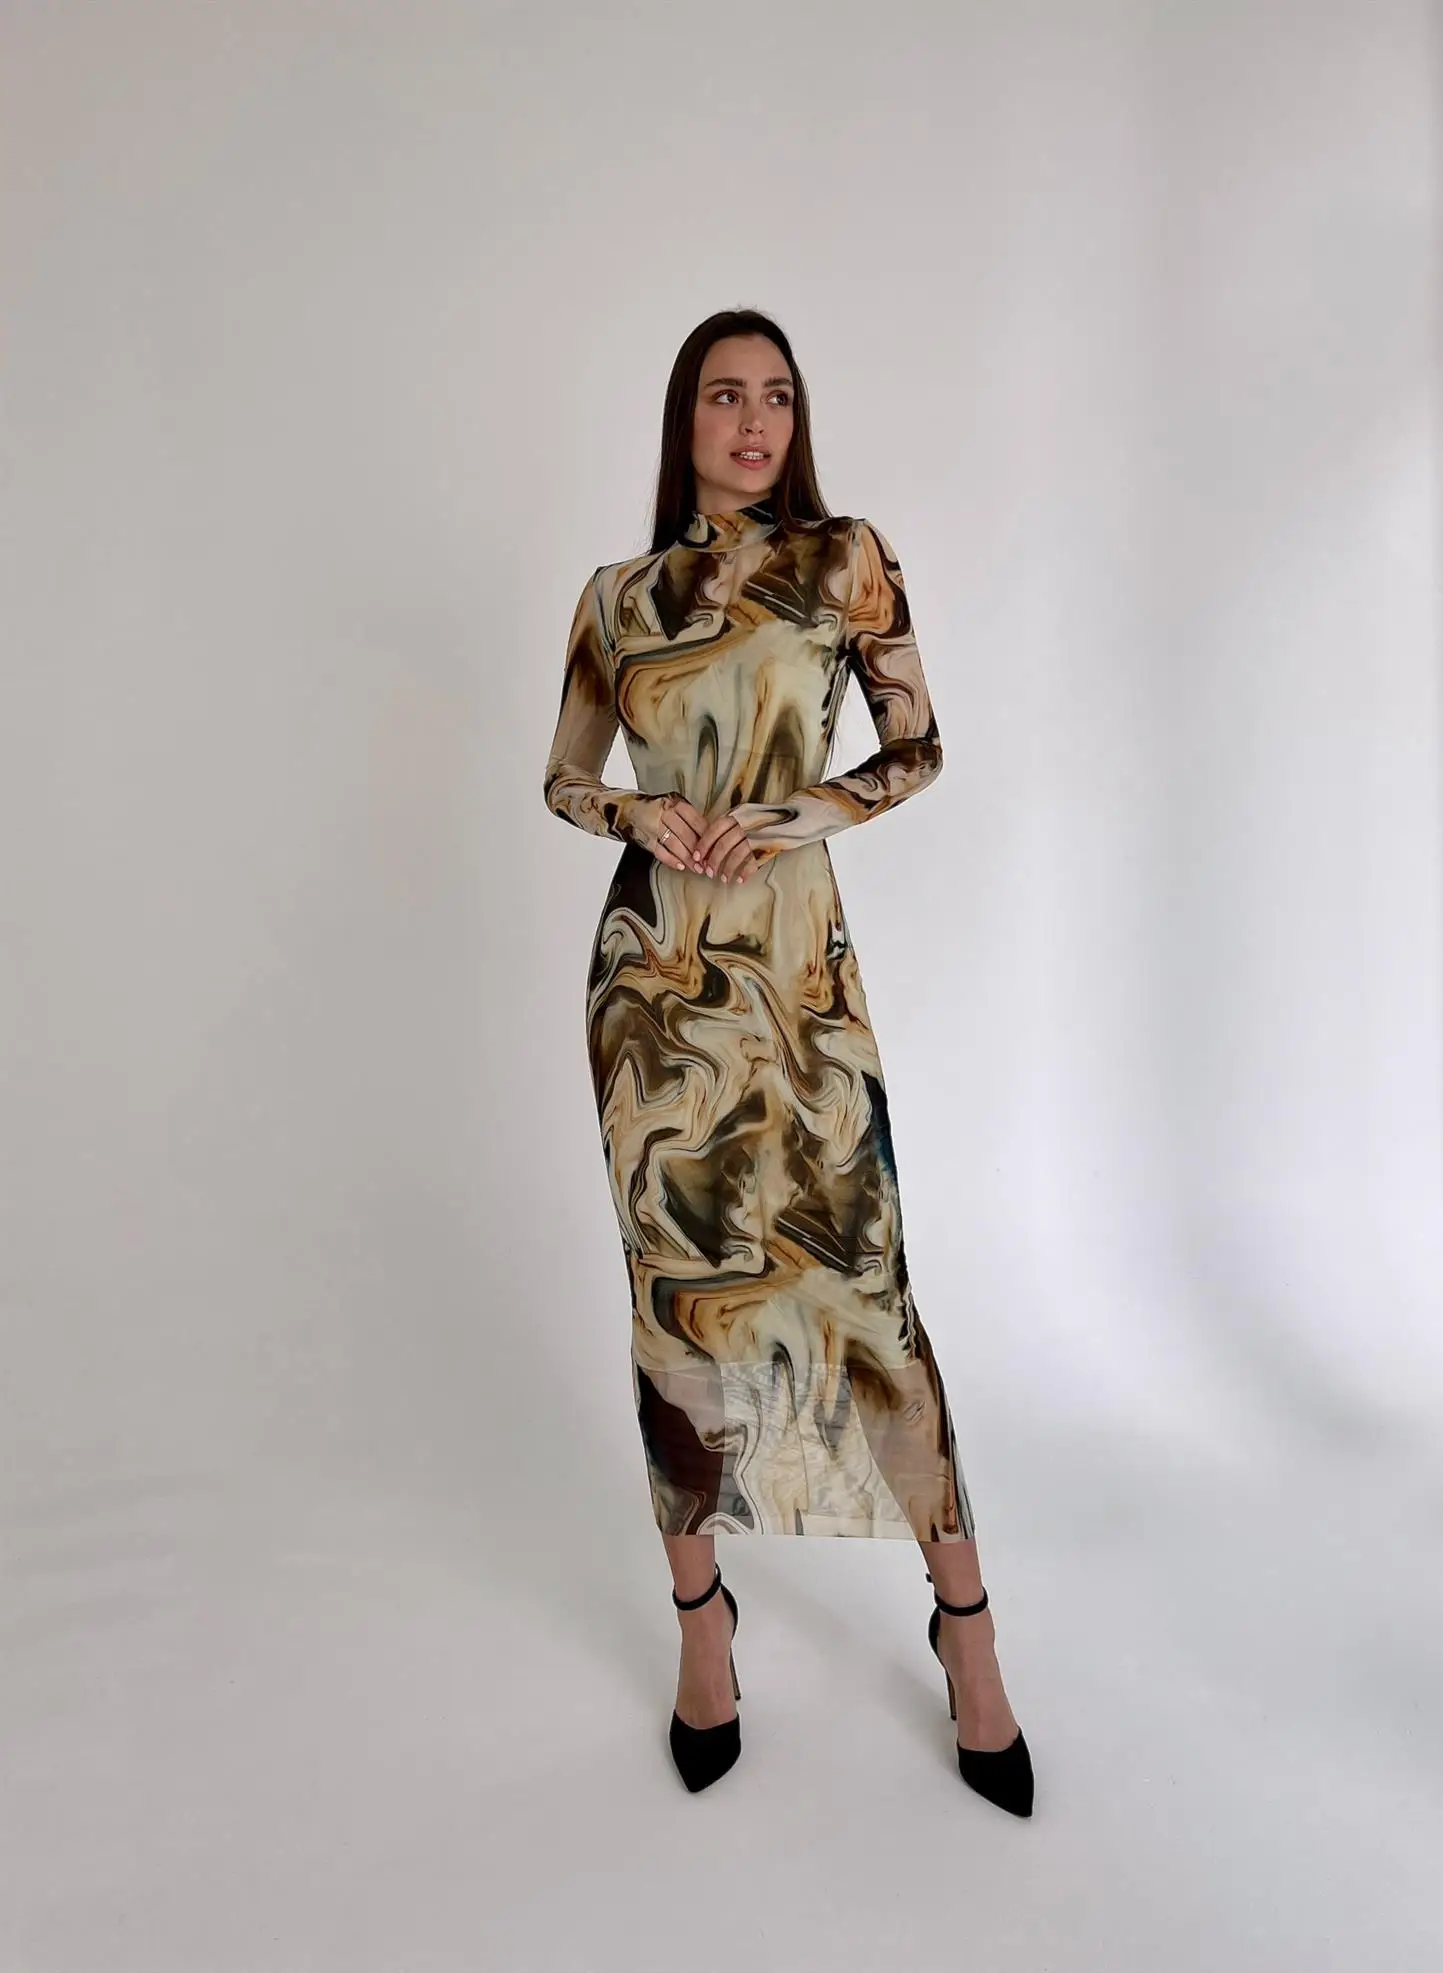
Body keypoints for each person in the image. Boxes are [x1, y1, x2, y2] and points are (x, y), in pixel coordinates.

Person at [541, 308, 1033, 1813]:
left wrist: (799, 812)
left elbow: (918, 745)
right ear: (682, 419)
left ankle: (966, 1630)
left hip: (800, 989)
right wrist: (640, 813)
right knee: (676, 1318)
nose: (753, 422)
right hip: (651, 994)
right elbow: (563, 776)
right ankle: (704, 1629)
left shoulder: (844, 560)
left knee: (869, 1296)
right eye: (723, 396)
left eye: (777, 397)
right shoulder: (618, 597)